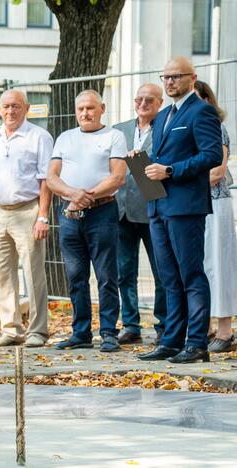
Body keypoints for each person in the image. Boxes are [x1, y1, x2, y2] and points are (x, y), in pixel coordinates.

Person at [138, 57, 223, 364]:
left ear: (192, 78)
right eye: (166, 76)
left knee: (191, 275)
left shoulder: (202, 111)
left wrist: (171, 170)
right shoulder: (161, 116)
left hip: (186, 206)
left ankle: (197, 343)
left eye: (176, 76)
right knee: (169, 278)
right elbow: (159, 158)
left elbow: (212, 155)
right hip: (158, 205)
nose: (170, 81)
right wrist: (142, 161)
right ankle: (171, 341)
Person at [46, 90, 127, 352]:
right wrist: (73, 195)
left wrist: (86, 196)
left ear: (102, 108)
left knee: (106, 275)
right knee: (76, 276)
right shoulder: (65, 138)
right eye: (80, 108)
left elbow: (117, 178)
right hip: (70, 214)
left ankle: (108, 333)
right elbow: (52, 178)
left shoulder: (114, 136)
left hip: (102, 212)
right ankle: (80, 332)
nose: (85, 113)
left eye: (91, 108)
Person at [0, 90, 53, 348]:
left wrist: (43, 216)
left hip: (27, 210)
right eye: (6, 107)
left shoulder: (39, 137)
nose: (11, 111)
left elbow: (46, 181)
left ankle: (37, 331)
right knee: (2, 274)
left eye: (16, 106)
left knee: (33, 273)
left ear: (26, 108)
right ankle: (10, 329)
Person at [112, 84, 168, 345]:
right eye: (139, 99)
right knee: (125, 272)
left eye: (149, 100)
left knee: (161, 272)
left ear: (159, 102)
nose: (143, 104)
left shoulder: (166, 127)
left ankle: (164, 325)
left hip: (153, 209)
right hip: (122, 211)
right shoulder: (120, 130)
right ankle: (131, 325)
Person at [194, 80, 237, 353]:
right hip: (195, 206)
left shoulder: (216, 129)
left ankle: (225, 330)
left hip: (216, 204)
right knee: (201, 267)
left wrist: (184, 180)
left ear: (208, 101)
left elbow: (218, 172)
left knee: (220, 265)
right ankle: (205, 326)